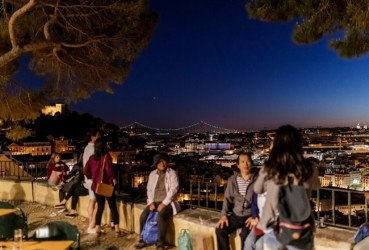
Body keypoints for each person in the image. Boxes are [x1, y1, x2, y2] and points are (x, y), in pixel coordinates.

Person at [254, 125, 319, 250]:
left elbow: (257, 189)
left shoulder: (271, 167)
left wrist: (266, 167)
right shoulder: (309, 167)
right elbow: (316, 186)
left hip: (274, 224)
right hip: (300, 226)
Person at [135, 154, 180, 250]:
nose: (162, 163)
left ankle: (160, 243)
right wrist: (151, 202)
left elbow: (173, 189)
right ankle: (143, 239)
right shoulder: (152, 174)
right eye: (159, 162)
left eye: (163, 161)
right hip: (155, 201)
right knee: (143, 216)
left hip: (168, 202)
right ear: (156, 165)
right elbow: (149, 190)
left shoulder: (172, 173)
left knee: (160, 216)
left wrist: (164, 203)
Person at [215, 152, 257, 250]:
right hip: (236, 215)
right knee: (220, 230)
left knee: (245, 237)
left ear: (251, 163)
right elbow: (227, 198)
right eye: (242, 162)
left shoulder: (257, 180)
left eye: (248, 161)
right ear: (238, 165)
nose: (245, 164)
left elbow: (262, 200)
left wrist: (255, 216)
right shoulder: (232, 180)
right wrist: (224, 215)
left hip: (249, 216)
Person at [84, 138, 121, 237]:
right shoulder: (106, 156)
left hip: (97, 186)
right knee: (113, 207)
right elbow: (109, 170)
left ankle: (97, 229)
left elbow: (85, 170)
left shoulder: (92, 158)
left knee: (100, 207)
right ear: (103, 146)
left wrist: (90, 177)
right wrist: (113, 178)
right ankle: (117, 230)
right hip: (107, 185)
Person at [83, 128, 101, 233]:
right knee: (98, 202)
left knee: (91, 200)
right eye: (98, 135)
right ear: (92, 137)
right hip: (94, 180)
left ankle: (91, 223)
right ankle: (92, 225)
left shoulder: (86, 148)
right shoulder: (94, 149)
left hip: (88, 179)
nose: (99, 137)